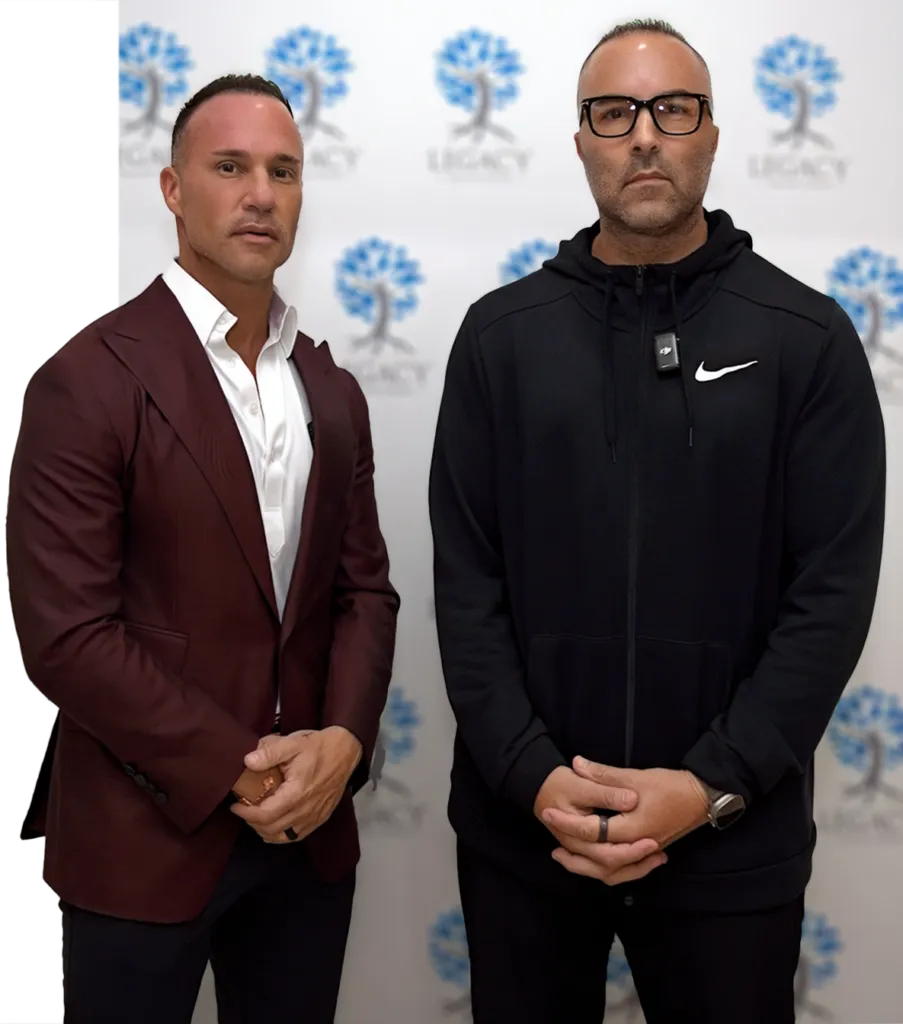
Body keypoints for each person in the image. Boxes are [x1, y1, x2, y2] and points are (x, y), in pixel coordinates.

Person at [429, 19, 885, 1024]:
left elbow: (832, 595)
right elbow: (468, 587)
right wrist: (533, 774)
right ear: (582, 138)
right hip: (528, 839)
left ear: (711, 135)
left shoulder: (806, 339)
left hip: (732, 842)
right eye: (614, 112)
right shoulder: (500, 338)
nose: (644, 135)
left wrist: (710, 783)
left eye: (672, 110)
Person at [8, 75, 398, 1024]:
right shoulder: (85, 378)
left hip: (307, 837)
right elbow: (66, 635)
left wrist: (343, 743)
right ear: (174, 189)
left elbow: (364, 596)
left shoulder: (329, 386)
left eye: (283, 171)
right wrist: (236, 764)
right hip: (141, 842)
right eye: (230, 167)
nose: (260, 193)